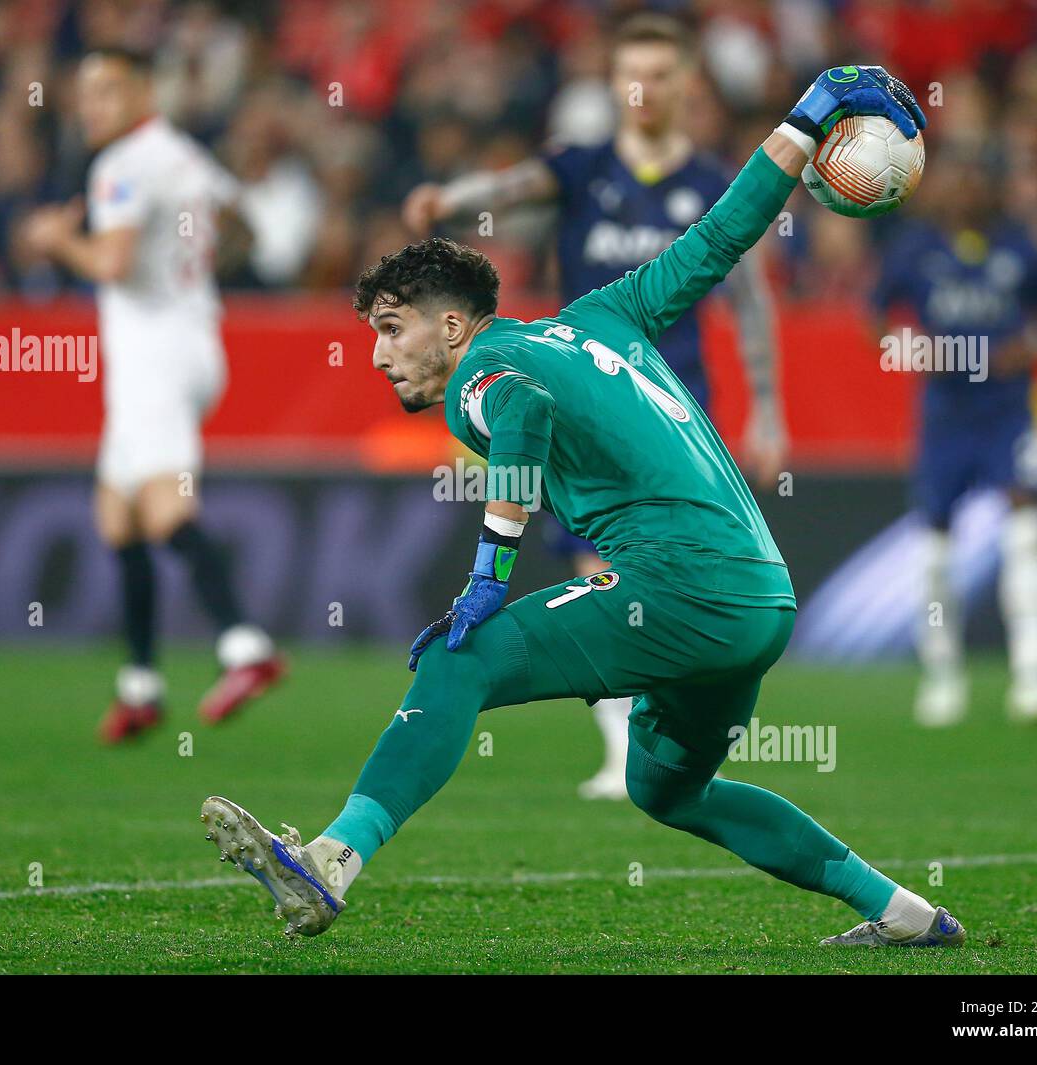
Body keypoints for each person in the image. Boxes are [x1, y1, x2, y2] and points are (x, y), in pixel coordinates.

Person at [203, 66, 965, 949]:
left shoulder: (479, 376)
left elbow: (522, 413)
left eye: (390, 326)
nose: (378, 354)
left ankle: (333, 857)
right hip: (761, 594)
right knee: (666, 786)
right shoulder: (603, 315)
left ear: (452, 327)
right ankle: (905, 913)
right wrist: (808, 118)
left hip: (683, 586)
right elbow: (719, 238)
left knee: (460, 659)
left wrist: (488, 574)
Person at [402, 14, 786, 798]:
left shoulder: (713, 184)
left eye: (663, 74)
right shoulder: (583, 170)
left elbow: (749, 299)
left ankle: (654, 735)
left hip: (672, 406)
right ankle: (626, 745)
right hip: (579, 401)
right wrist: (452, 197)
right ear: (612, 87)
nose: (646, 91)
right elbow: (511, 190)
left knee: (651, 564)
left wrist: (769, 405)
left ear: (688, 87)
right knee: (592, 558)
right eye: (630, 76)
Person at [23, 48, 282, 742]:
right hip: (192, 340)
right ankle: (140, 684)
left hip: (155, 358)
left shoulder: (122, 166)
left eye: (108, 90)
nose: (92, 105)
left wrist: (57, 239)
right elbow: (246, 227)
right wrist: (187, 275)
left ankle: (244, 646)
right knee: (116, 512)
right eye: (86, 92)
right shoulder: (184, 154)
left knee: (165, 508)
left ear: (143, 89)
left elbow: (109, 263)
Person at [875, 146, 1037, 726]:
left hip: (1008, 413)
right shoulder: (913, 249)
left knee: (1028, 532)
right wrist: (906, 349)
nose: (964, 190)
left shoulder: (1020, 248)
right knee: (934, 551)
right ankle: (942, 678)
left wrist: (1027, 349)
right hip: (946, 416)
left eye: (975, 179)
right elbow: (874, 317)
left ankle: (1033, 677)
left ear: (992, 189)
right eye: (954, 179)